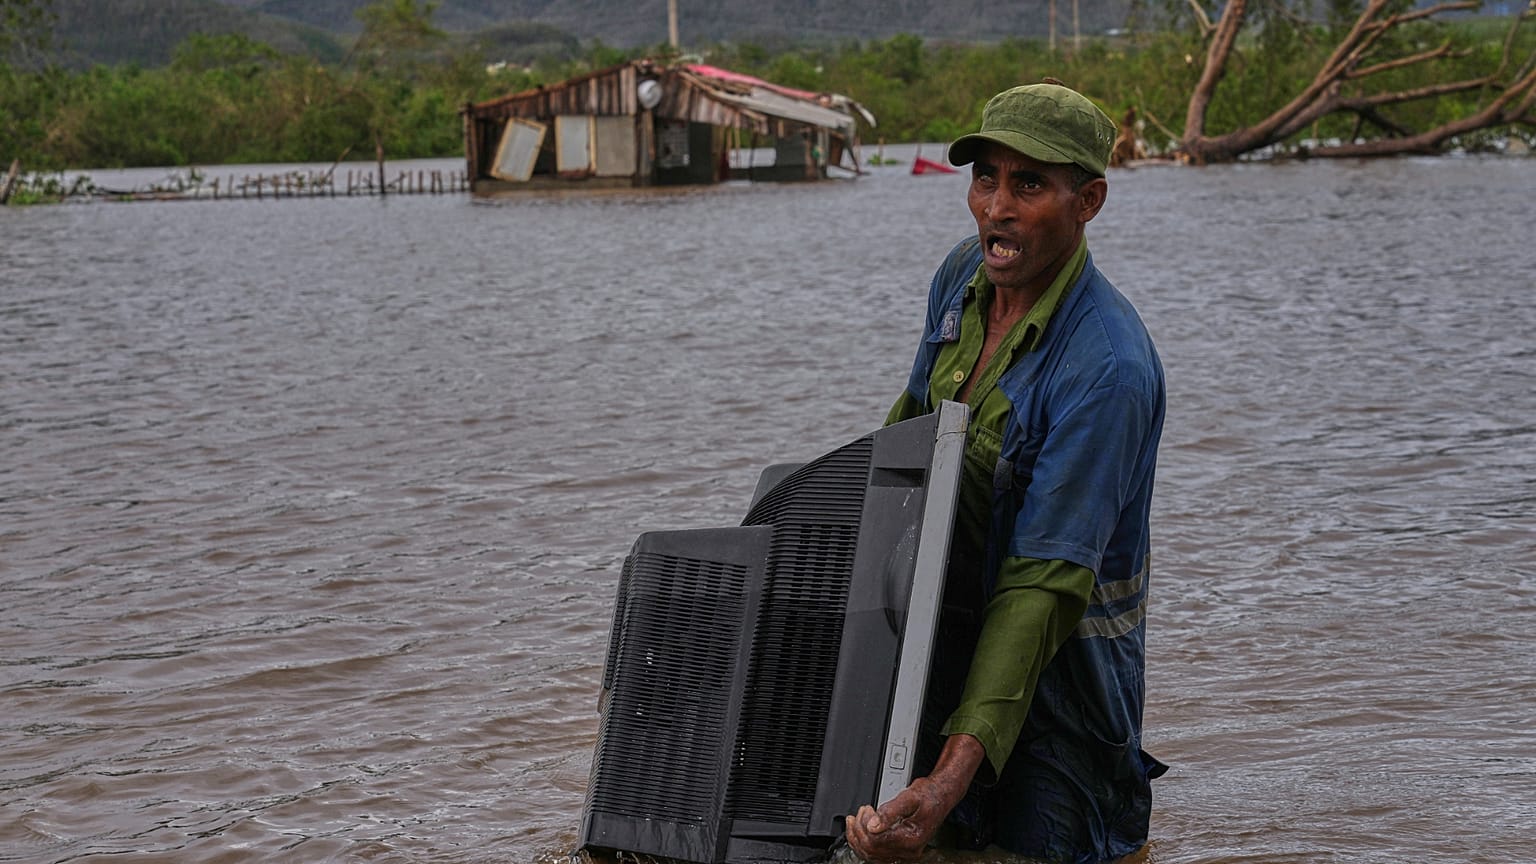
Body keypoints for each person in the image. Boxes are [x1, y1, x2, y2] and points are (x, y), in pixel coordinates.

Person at [845, 81, 1167, 864]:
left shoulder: (1107, 369)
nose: (997, 208)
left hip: (1066, 680)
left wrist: (949, 777)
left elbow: (1040, 589)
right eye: (986, 177)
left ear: (1087, 200)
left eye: (1029, 185)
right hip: (945, 638)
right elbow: (906, 446)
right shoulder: (962, 276)